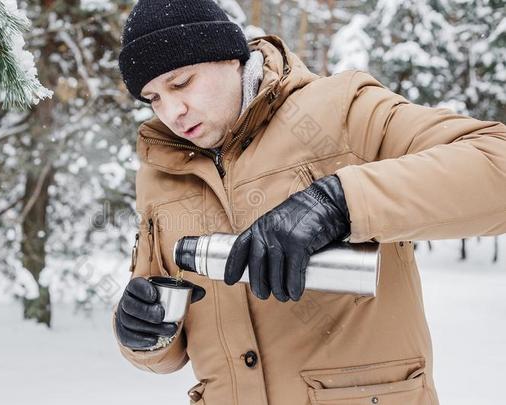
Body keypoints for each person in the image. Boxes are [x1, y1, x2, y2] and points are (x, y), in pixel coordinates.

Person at [112, 1, 506, 404]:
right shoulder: (161, 171)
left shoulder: (341, 111)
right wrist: (141, 334)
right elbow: (169, 340)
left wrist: (339, 202)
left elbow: (497, 164)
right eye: (153, 98)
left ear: (230, 57)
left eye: (181, 84)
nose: (172, 112)